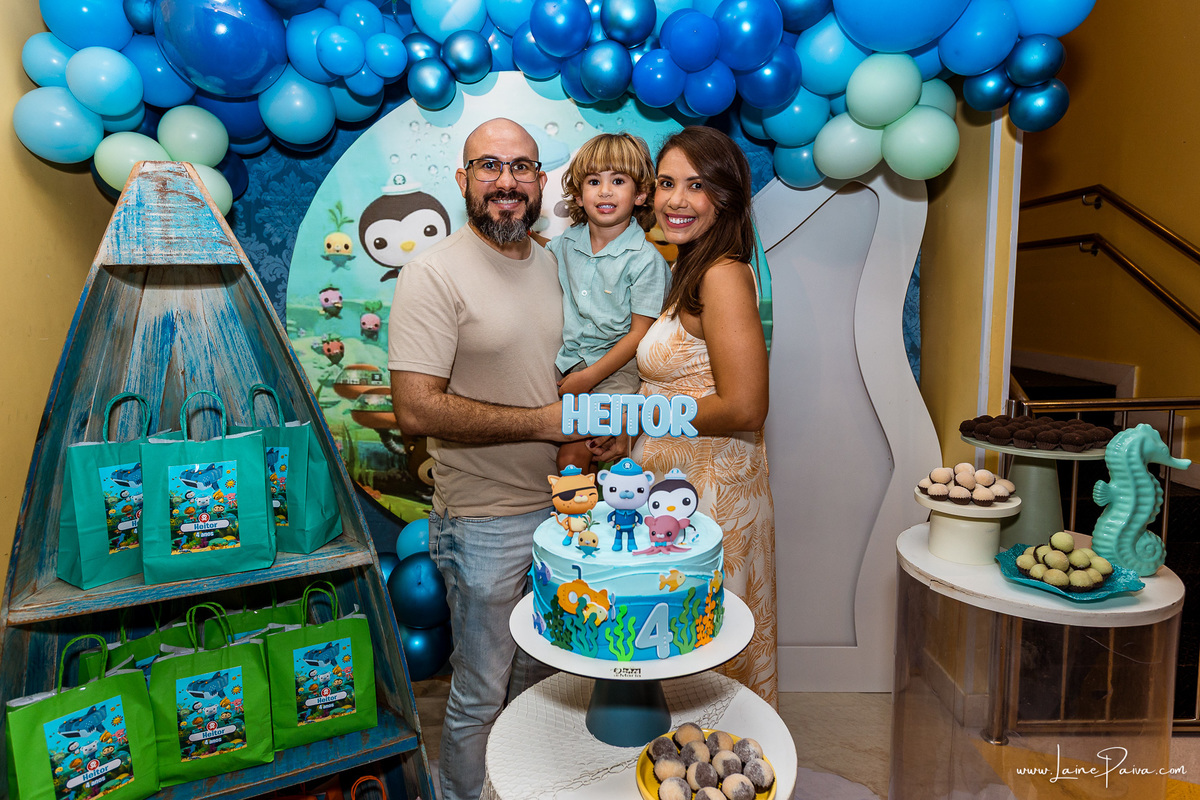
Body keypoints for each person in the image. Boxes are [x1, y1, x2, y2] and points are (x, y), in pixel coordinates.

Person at [387, 117, 568, 800]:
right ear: (463, 181)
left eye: (521, 167)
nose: (506, 181)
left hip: (562, 512)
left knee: (541, 682)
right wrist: (544, 423)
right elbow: (417, 409)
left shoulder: (554, 262)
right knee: (483, 691)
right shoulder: (434, 272)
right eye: (488, 166)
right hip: (483, 519)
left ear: (540, 183)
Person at [634, 126, 777, 706]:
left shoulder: (722, 273)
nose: (676, 200)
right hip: (678, 490)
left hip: (711, 493)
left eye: (696, 185)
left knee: (705, 658)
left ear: (728, 195)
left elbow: (745, 405)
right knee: (678, 653)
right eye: (667, 183)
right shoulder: (691, 267)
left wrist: (639, 411)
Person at [548, 132, 670, 474]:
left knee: (574, 456)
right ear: (578, 192)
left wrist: (588, 378)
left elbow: (638, 336)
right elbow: (533, 255)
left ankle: (582, 524)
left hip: (615, 369)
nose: (604, 191)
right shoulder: (566, 243)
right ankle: (580, 519)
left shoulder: (646, 261)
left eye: (618, 180)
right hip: (569, 362)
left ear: (641, 194)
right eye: (593, 181)